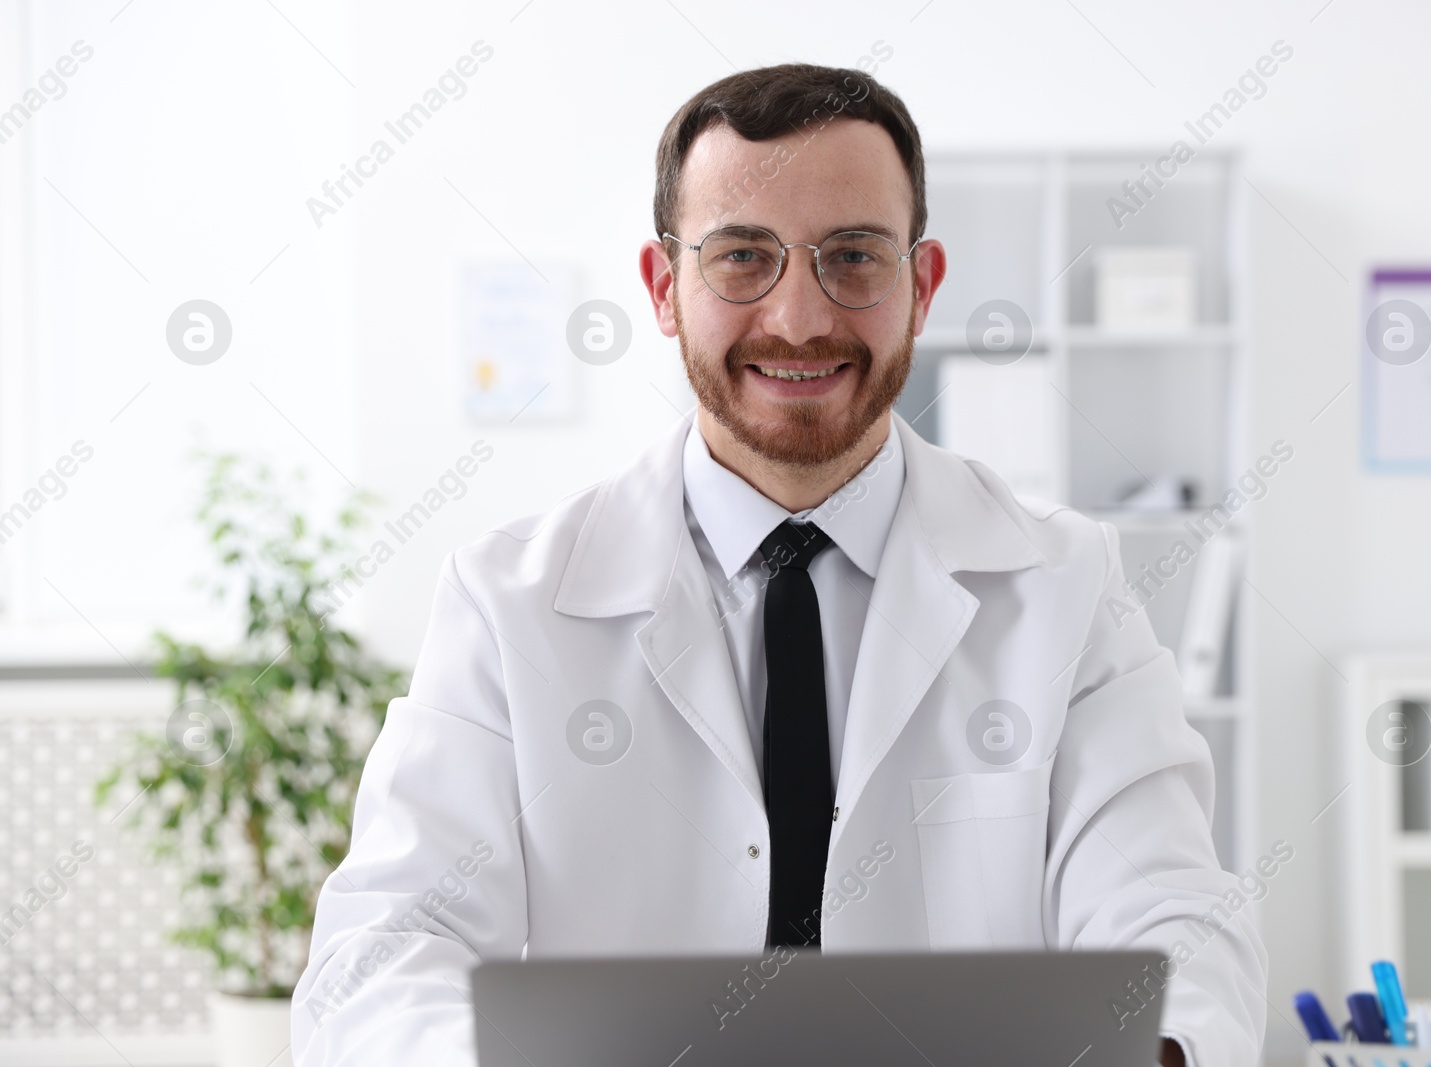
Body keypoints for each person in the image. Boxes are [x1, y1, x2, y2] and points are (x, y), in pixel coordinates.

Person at [291, 63, 1267, 1067]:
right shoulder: (510, 603)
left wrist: (1161, 1046)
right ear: (664, 288)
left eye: (851, 257)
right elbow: (387, 947)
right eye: (741, 258)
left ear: (920, 286)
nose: (799, 319)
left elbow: (1173, 913)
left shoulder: (1064, 585)